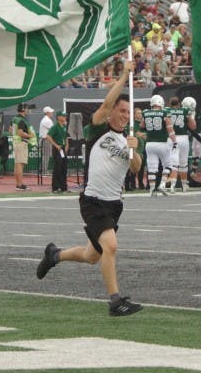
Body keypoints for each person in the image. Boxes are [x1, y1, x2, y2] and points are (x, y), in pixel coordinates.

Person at [35, 61, 144, 317]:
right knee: (111, 247)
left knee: (92, 255)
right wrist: (125, 75)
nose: (125, 115)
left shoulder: (125, 139)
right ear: (113, 111)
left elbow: (137, 168)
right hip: (93, 201)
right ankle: (115, 300)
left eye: (128, 112)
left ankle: (54, 255)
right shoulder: (97, 130)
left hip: (114, 204)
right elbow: (106, 105)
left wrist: (133, 150)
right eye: (122, 110)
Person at [140, 94, 175, 196]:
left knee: (152, 168)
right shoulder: (165, 113)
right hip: (162, 143)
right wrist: (174, 141)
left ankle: (151, 190)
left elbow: (142, 126)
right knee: (168, 165)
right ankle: (162, 184)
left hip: (150, 144)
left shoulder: (146, 113)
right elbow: (170, 129)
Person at [9, 104, 36, 190]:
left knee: (17, 164)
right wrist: (29, 136)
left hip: (16, 142)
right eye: (27, 108)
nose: (28, 110)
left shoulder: (14, 119)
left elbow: (10, 130)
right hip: (21, 143)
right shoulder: (21, 120)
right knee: (20, 164)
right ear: (23, 109)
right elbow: (20, 133)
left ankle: (18, 184)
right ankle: (20, 185)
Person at [46, 111, 70, 194]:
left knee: (64, 168)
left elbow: (66, 137)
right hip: (57, 149)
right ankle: (55, 188)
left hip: (63, 149)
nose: (65, 117)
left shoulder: (64, 126)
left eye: (65, 116)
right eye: (63, 116)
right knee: (57, 168)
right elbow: (48, 136)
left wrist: (67, 146)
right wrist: (56, 146)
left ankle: (64, 188)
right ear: (59, 117)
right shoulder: (55, 127)